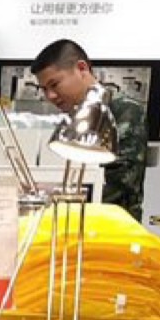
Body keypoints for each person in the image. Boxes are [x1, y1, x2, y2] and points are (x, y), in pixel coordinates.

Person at [31, 39, 148, 220]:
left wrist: (54, 192)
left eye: (54, 85)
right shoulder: (71, 117)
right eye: (44, 89)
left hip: (113, 226)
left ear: (82, 68)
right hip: (69, 221)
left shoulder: (125, 111)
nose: (50, 96)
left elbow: (120, 183)